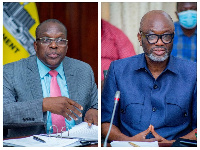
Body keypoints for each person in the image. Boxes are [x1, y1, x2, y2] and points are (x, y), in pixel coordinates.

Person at [101, 10, 196, 143]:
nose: (159, 42)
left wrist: (173, 144)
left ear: (173, 38)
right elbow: (105, 123)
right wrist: (129, 142)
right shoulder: (119, 70)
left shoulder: (193, 73)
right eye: (151, 36)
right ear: (140, 38)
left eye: (166, 36)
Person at [3, 19, 98, 138]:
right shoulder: (11, 72)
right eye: (46, 40)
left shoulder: (83, 70)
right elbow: (3, 112)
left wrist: (94, 110)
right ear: (36, 46)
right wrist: (43, 105)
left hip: (77, 143)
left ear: (67, 46)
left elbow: (96, 102)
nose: (54, 45)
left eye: (60, 40)